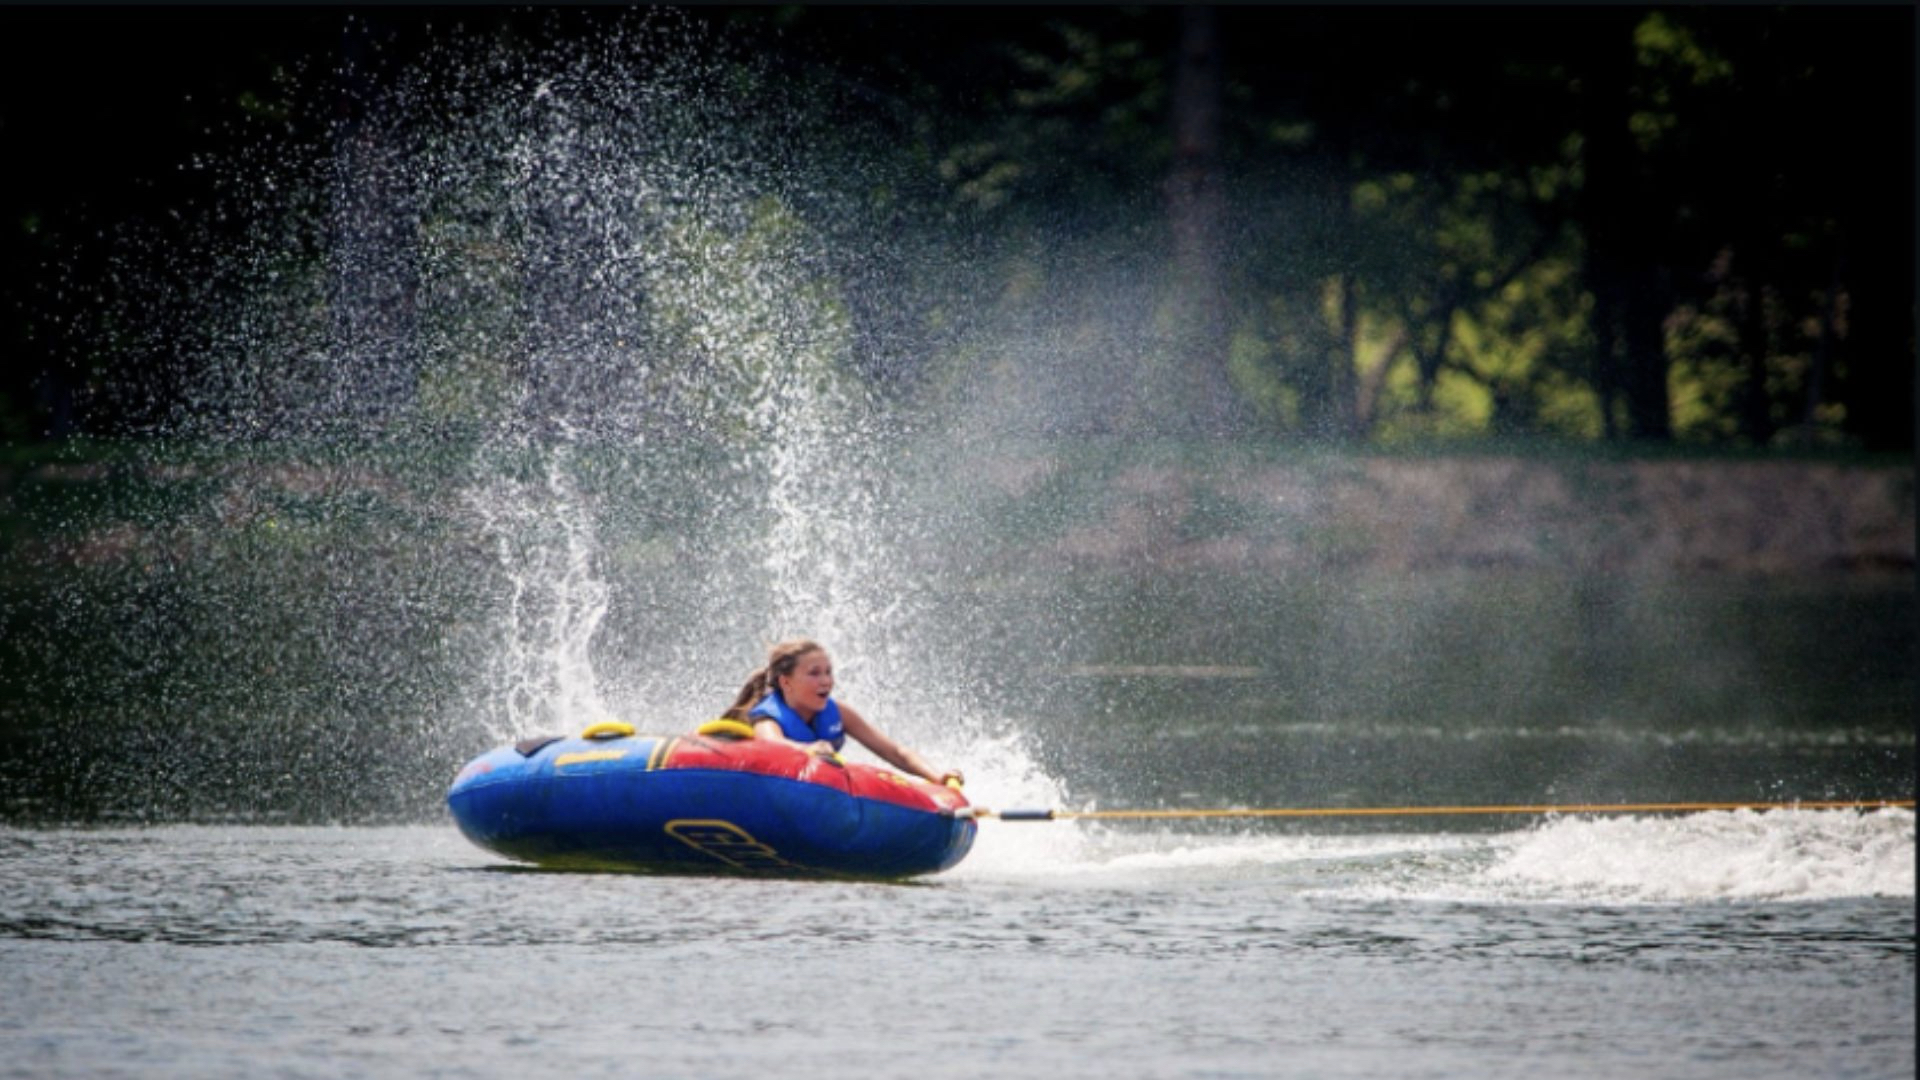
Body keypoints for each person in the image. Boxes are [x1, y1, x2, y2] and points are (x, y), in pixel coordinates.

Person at [722, 639, 963, 788]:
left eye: (828, 672)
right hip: (765, 789)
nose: (826, 681)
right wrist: (809, 750)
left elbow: (895, 752)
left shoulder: (839, 714)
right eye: (814, 673)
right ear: (786, 682)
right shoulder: (767, 718)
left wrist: (937, 776)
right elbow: (775, 746)